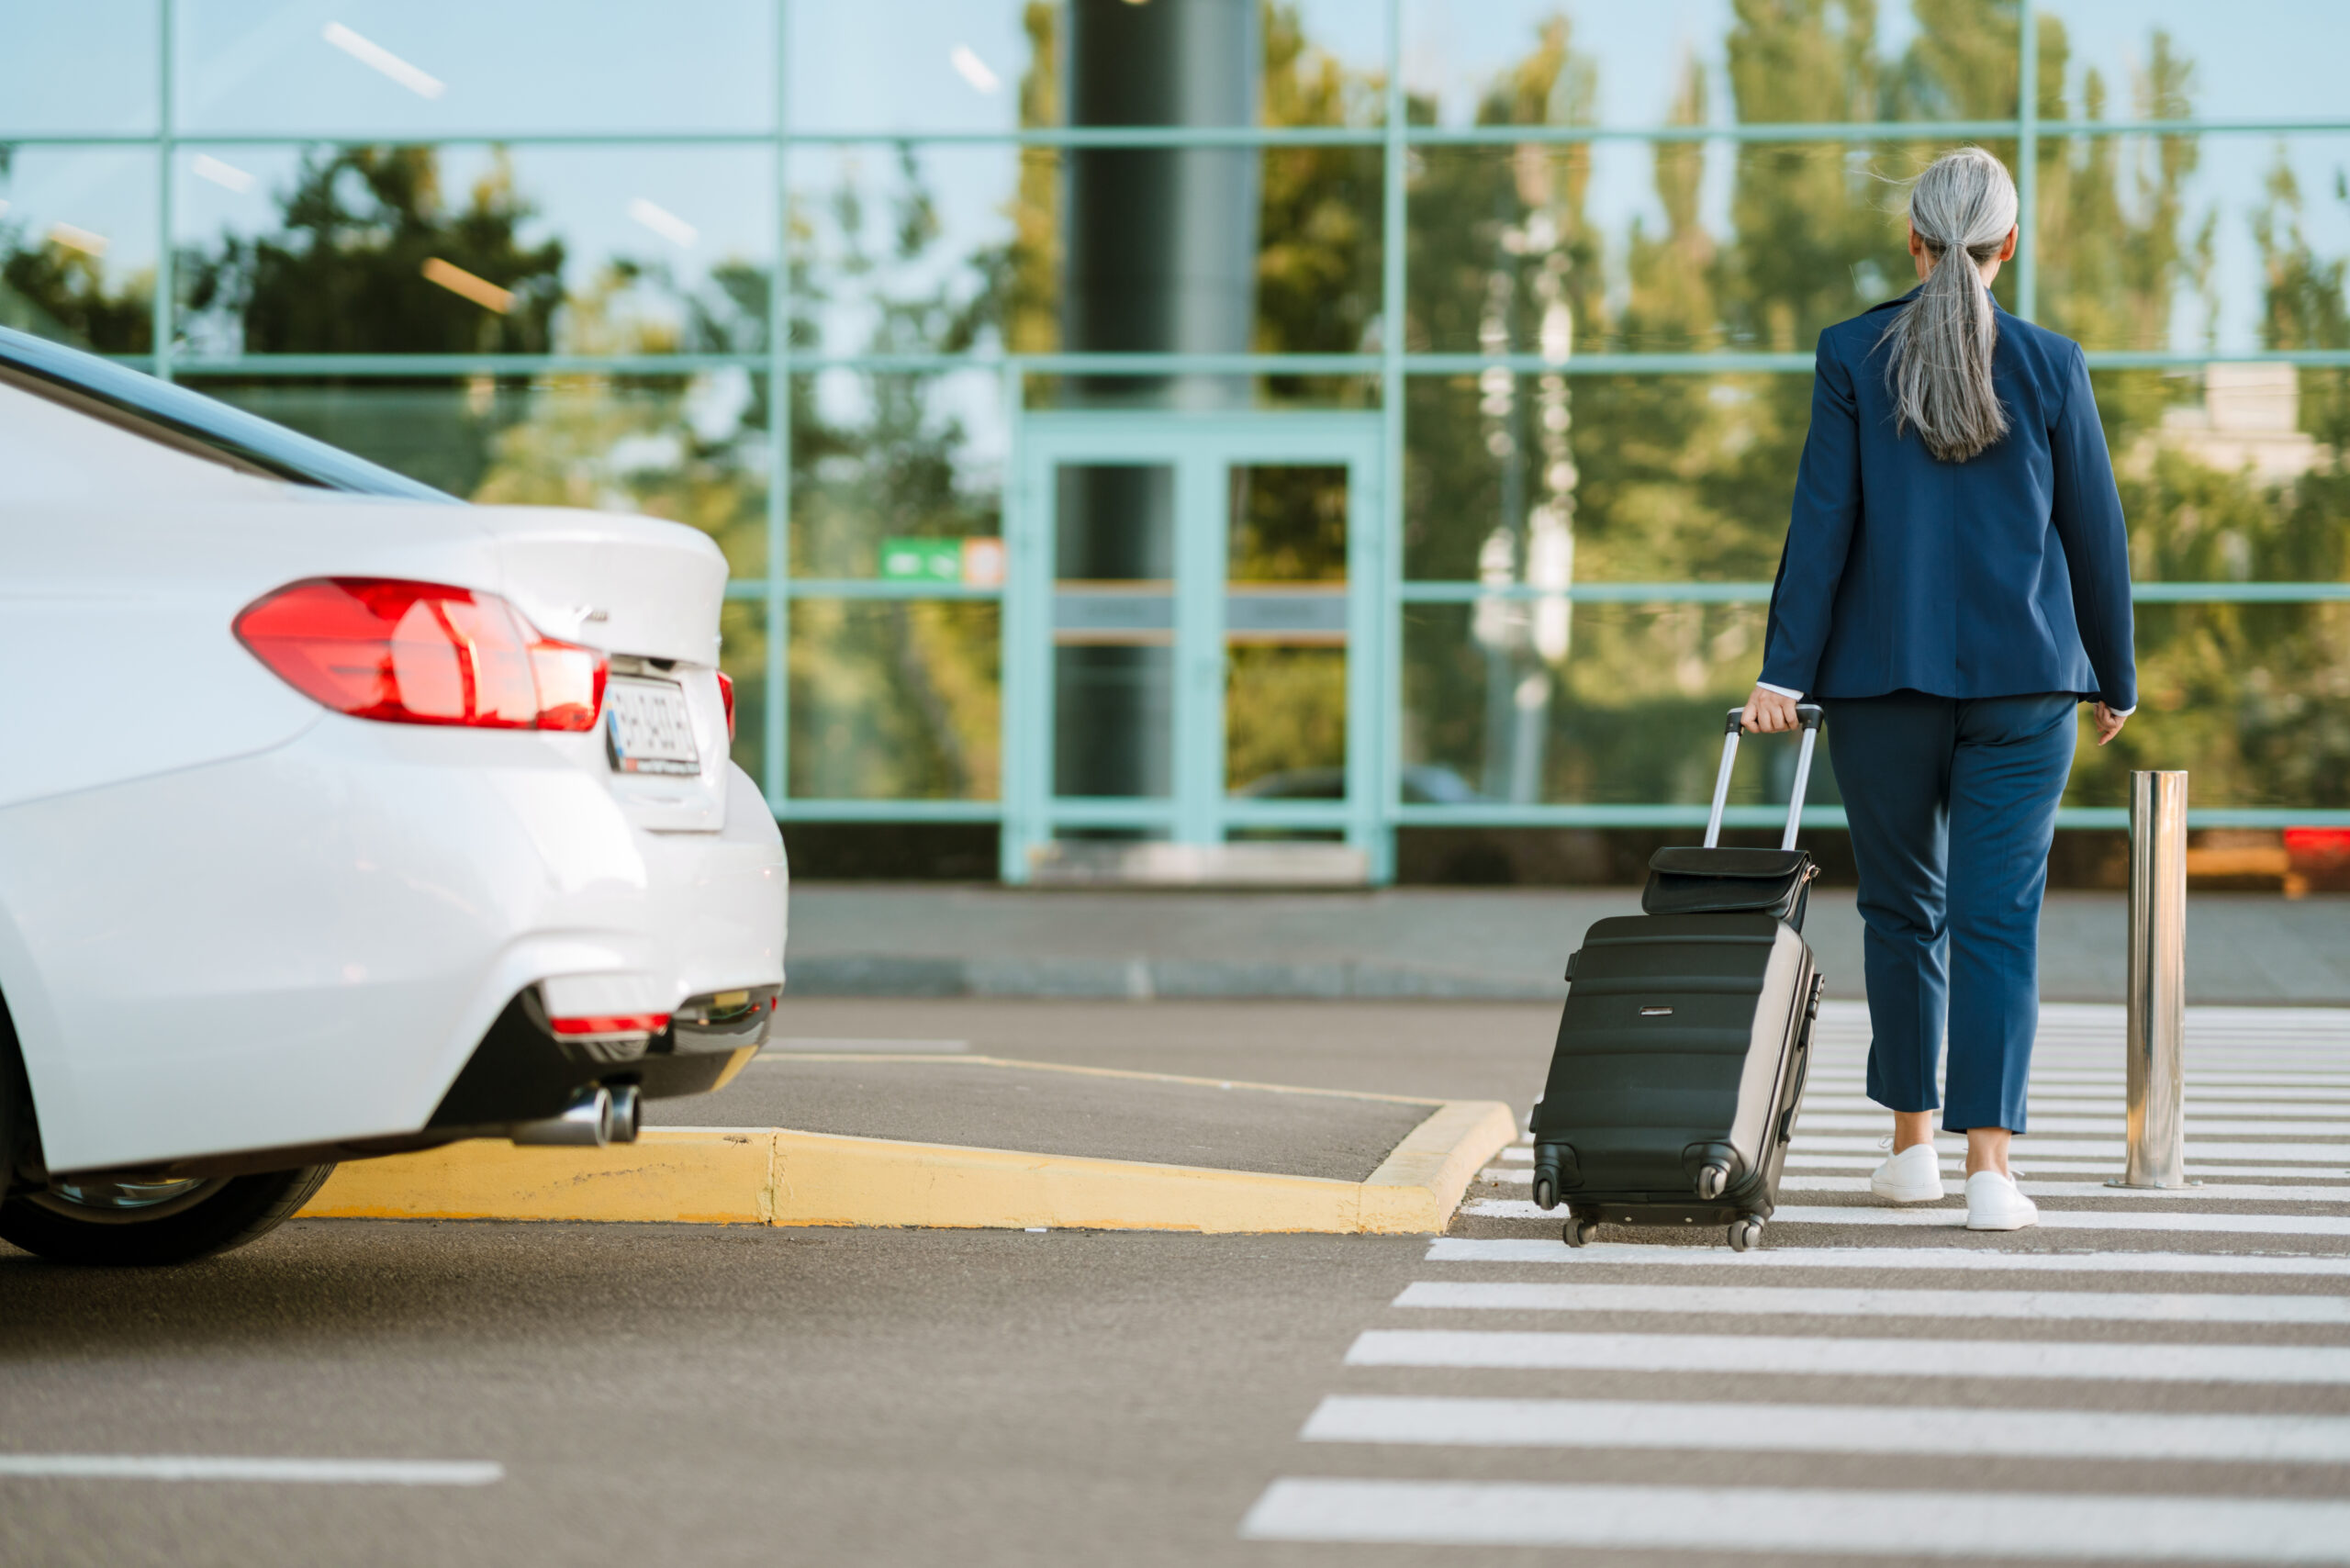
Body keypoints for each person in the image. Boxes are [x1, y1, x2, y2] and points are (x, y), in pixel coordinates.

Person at [1740, 146, 2137, 1232]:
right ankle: (1989, 1171)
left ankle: (1910, 1145)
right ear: (2007, 245)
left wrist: (1784, 669)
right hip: (2027, 687)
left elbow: (1821, 522)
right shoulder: (2053, 363)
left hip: (1879, 684)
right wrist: (2115, 672)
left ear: (1912, 242)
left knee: (1901, 908)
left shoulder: (1850, 353)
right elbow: (2093, 533)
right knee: (1998, 919)